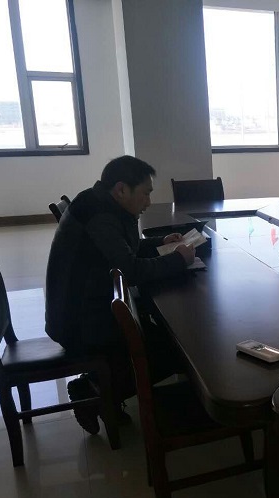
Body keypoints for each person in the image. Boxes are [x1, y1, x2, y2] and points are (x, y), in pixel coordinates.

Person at [45, 155, 195, 434]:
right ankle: (95, 390)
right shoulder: (100, 215)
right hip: (80, 324)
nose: (148, 202)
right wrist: (179, 260)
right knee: (179, 348)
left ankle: (104, 386)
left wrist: (160, 243)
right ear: (121, 189)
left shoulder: (100, 202)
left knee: (165, 338)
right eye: (145, 194)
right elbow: (130, 270)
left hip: (83, 309)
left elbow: (122, 250)